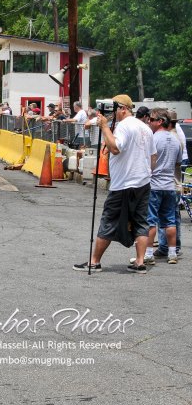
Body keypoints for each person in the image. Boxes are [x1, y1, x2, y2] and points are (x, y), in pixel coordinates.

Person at [76, 95, 153, 273]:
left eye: (115, 108)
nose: (113, 112)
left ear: (123, 108)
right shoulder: (145, 128)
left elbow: (115, 148)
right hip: (143, 181)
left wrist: (104, 126)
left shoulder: (124, 126)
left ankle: (94, 261)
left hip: (124, 183)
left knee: (109, 220)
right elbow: (153, 157)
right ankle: (140, 262)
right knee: (141, 222)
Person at [146, 108, 181, 264]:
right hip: (169, 185)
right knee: (170, 221)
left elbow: (148, 161)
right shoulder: (176, 140)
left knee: (151, 220)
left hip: (154, 184)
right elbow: (178, 163)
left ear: (160, 121)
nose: (149, 122)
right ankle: (172, 253)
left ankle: (148, 254)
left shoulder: (153, 139)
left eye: (152, 120)